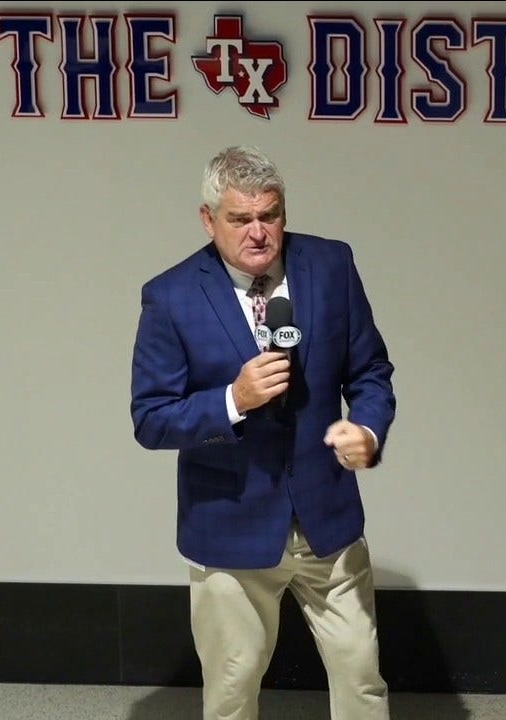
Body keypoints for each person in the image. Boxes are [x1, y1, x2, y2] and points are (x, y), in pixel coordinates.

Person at [130, 145, 396, 720]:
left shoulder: (330, 266)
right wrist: (233, 399)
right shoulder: (171, 296)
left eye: (269, 215)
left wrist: (368, 431)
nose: (258, 232)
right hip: (229, 529)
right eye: (239, 219)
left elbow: (371, 371)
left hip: (328, 521)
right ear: (208, 219)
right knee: (232, 691)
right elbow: (150, 419)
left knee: (361, 675)